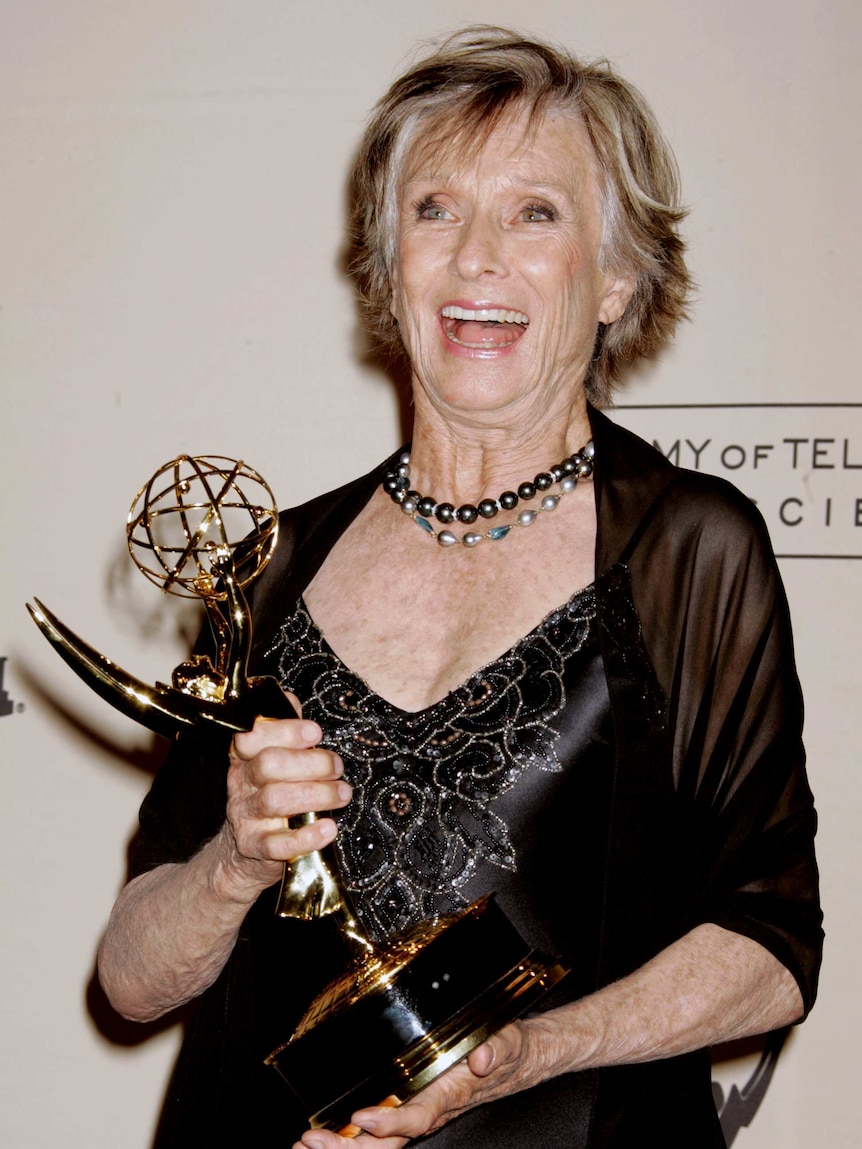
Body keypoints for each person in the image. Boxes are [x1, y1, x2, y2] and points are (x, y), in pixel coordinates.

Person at [97, 25, 822, 1149]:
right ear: (391, 267)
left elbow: (769, 951)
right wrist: (235, 858)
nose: (477, 256)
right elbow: (134, 981)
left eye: (535, 213)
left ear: (618, 276)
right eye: (435, 210)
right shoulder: (271, 566)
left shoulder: (688, 548)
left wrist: (519, 1055)